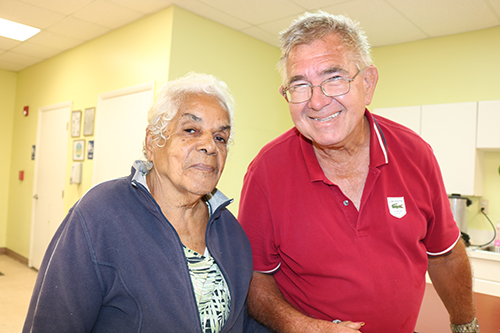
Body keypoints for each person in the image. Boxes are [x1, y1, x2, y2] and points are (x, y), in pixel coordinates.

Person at [238, 11, 478, 333]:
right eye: (300, 85)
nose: (317, 101)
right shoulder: (266, 170)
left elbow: (445, 255)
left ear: (367, 83)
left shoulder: (415, 155)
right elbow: (254, 276)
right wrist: (305, 327)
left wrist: (466, 326)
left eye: (333, 78)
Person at [23, 72, 253, 333]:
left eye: (220, 138)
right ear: (152, 142)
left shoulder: (231, 232)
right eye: (191, 130)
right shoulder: (98, 215)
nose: (210, 146)